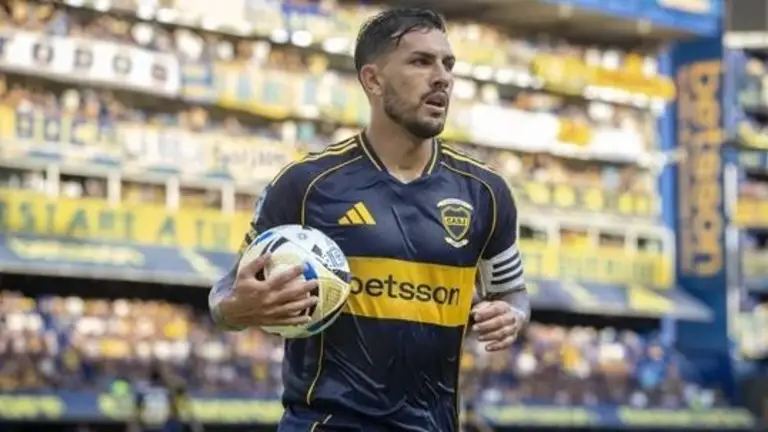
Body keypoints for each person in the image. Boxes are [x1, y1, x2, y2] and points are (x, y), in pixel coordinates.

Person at [209, 7, 530, 432]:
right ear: (373, 80)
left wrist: (513, 315)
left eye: (448, 64)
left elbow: (513, 293)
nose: (442, 77)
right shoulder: (306, 184)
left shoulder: (486, 192)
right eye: (421, 61)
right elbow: (225, 292)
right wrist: (236, 307)